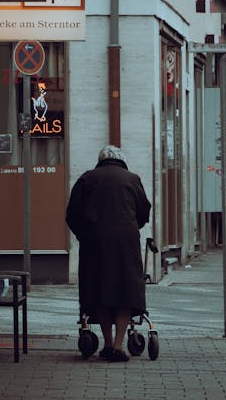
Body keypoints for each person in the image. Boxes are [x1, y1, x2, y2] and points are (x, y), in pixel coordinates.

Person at [66, 145, 151, 362]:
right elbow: (143, 211)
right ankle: (119, 346)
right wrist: (129, 227)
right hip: (126, 242)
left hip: (95, 242)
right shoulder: (132, 179)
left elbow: (72, 214)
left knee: (100, 289)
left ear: (101, 159)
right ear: (121, 160)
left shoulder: (87, 178)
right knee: (125, 290)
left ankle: (106, 343)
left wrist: (84, 234)